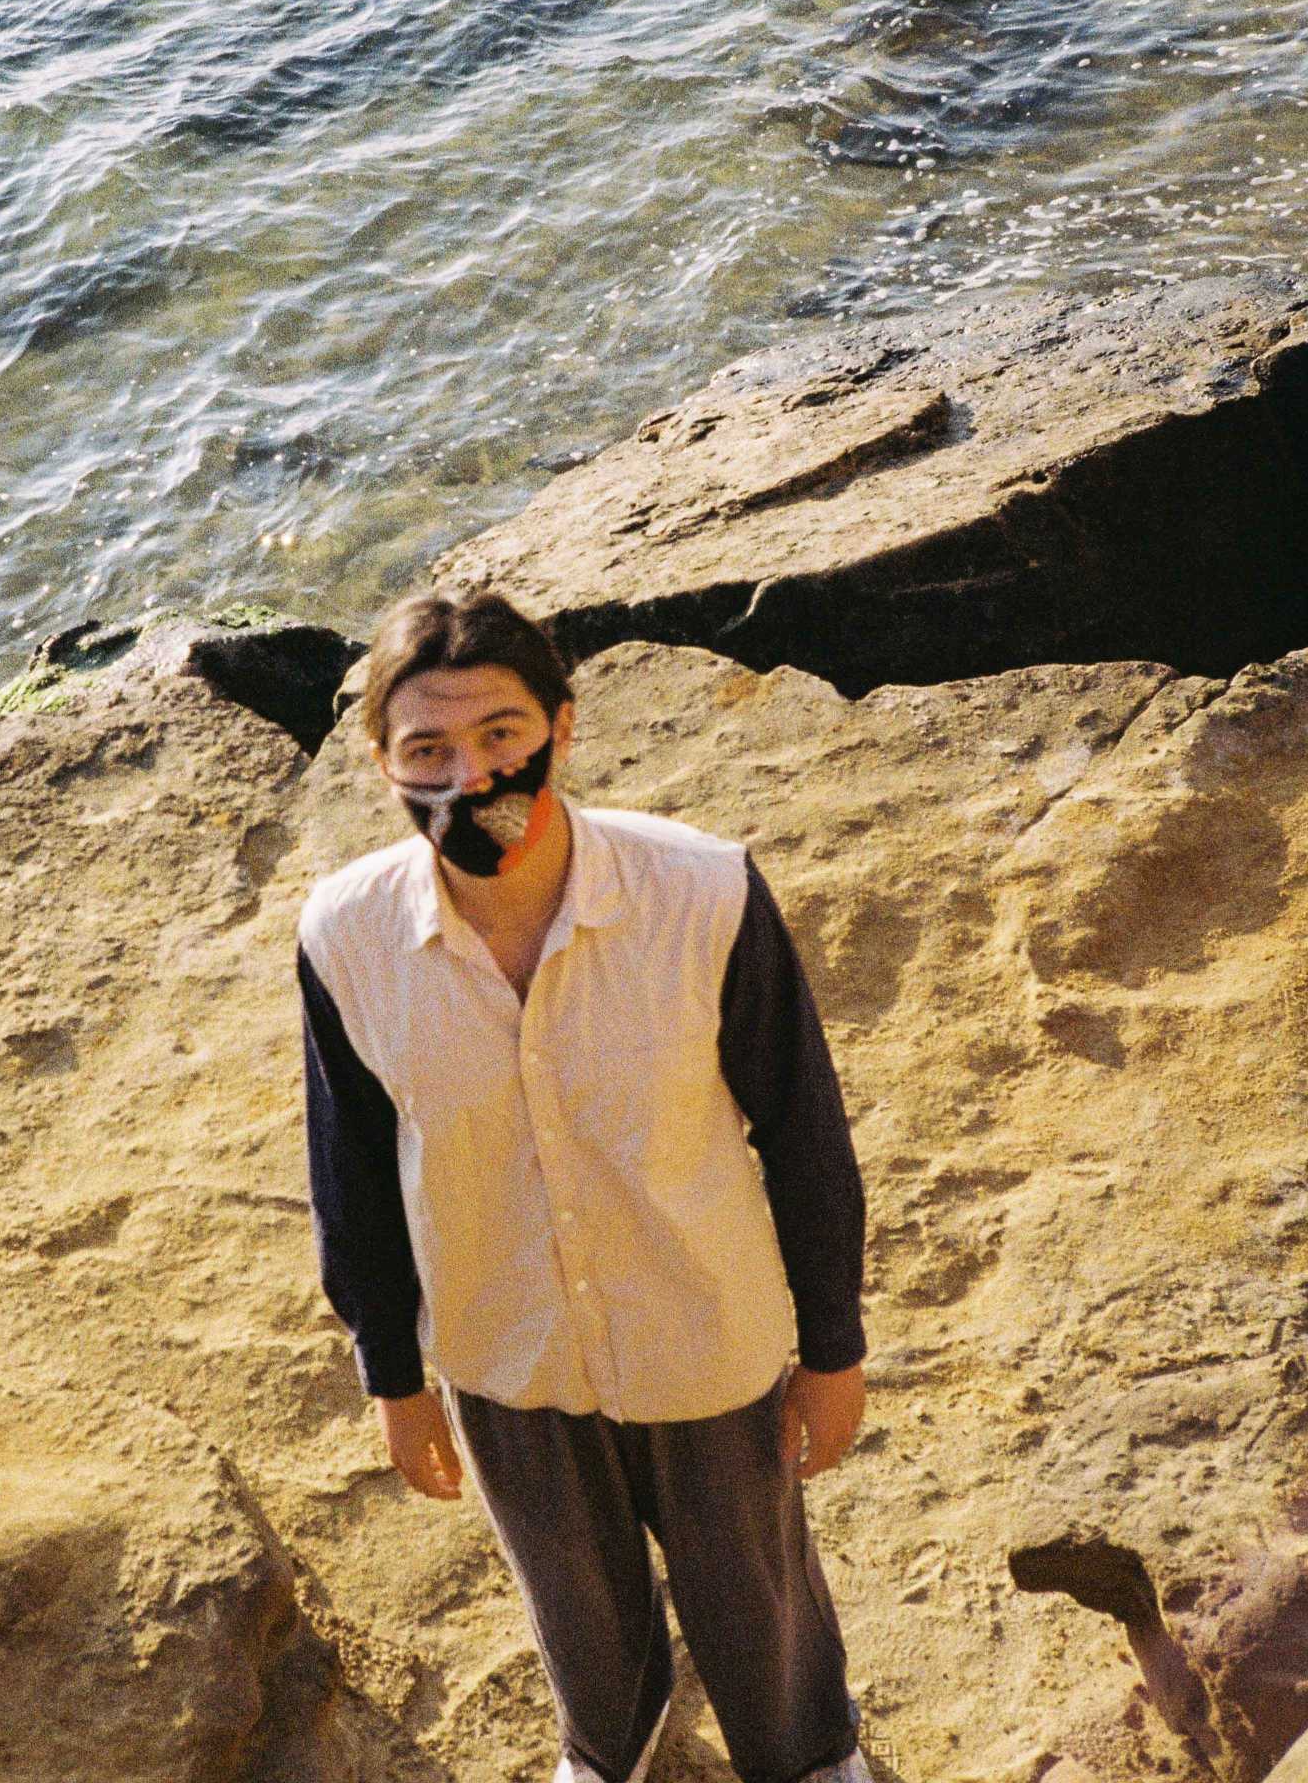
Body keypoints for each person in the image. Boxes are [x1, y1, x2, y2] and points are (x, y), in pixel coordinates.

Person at [295, 589, 875, 1783]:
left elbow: (804, 1129)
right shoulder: (342, 935)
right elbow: (350, 1166)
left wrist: (833, 1346)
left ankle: (812, 1757)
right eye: (429, 748)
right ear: (381, 761)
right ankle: (609, 1752)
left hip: (700, 1325)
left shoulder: (702, 892)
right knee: (576, 1608)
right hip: (506, 1343)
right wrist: (395, 1378)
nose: (471, 772)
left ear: (564, 724)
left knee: (756, 1595)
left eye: (502, 734)